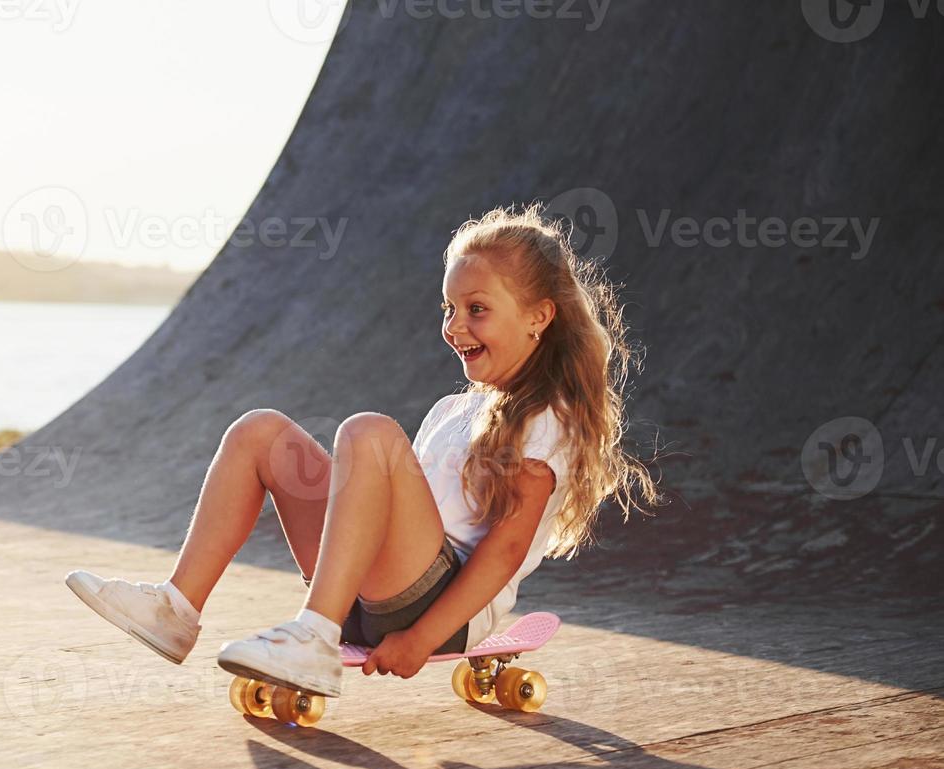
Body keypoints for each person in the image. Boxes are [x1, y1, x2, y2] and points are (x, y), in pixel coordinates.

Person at [65, 203, 660, 698]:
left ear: (539, 318)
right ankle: (177, 609)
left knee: (369, 432)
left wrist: (425, 637)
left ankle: (314, 637)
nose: (455, 326)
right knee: (260, 432)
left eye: (477, 310)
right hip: (370, 594)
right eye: (449, 308)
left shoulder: (547, 422)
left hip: (436, 605)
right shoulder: (454, 411)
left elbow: (503, 552)